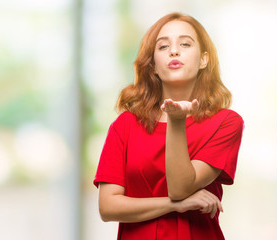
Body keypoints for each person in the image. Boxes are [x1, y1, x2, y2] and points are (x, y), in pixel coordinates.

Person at [93, 12, 244, 240]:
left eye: (185, 44)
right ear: (153, 65)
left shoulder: (226, 123)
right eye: (163, 47)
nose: (174, 51)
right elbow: (107, 207)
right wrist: (176, 205)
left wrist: (176, 119)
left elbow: (180, 187)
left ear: (203, 59)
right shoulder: (125, 125)